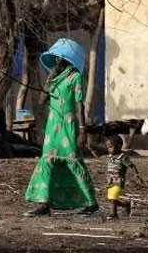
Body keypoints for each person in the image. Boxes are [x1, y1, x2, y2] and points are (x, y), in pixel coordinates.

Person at [24, 38, 99, 217]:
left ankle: (91, 204)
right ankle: (44, 205)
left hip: (69, 125)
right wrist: (50, 78)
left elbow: (79, 104)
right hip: (52, 127)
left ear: (68, 58)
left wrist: (83, 130)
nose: (57, 60)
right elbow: (43, 101)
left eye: (60, 57)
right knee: (47, 161)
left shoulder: (75, 76)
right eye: (55, 57)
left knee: (73, 161)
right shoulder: (55, 76)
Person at [102, 134, 141, 220]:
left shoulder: (122, 158)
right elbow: (100, 157)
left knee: (113, 197)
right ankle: (125, 205)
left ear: (119, 146)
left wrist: (137, 175)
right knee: (112, 199)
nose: (108, 149)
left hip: (119, 181)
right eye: (108, 147)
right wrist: (92, 151)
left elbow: (132, 166)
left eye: (110, 147)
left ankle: (114, 214)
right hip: (110, 181)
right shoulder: (110, 157)